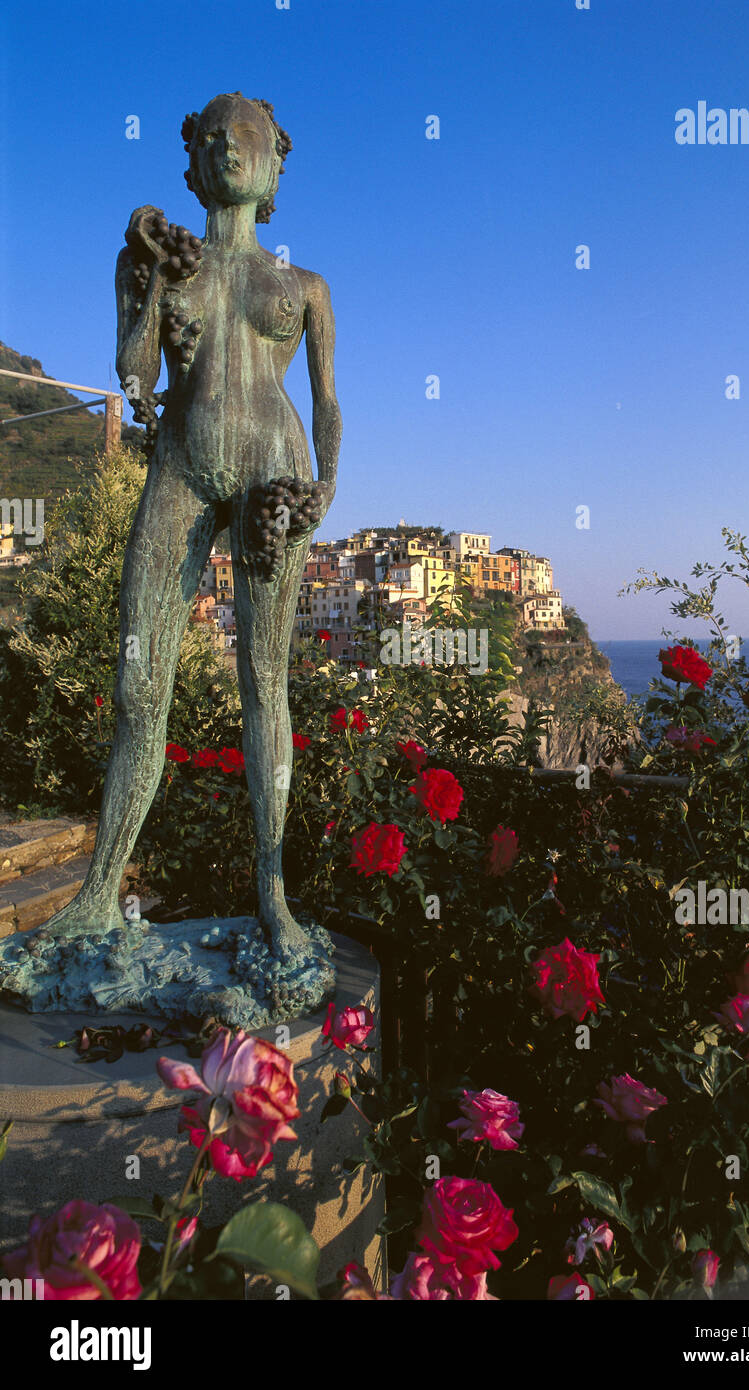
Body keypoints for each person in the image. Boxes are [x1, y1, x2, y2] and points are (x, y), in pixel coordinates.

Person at [43, 92, 341, 958]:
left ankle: (274, 900)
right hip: (180, 468)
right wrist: (144, 292)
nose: (227, 146)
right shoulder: (164, 259)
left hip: (275, 480)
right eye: (212, 138)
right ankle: (100, 893)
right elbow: (136, 378)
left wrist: (327, 485)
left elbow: (327, 403)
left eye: (244, 135)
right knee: (140, 688)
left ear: (275, 160)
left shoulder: (304, 286)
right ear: (194, 162)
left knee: (266, 685)